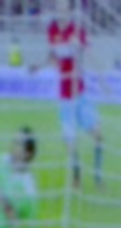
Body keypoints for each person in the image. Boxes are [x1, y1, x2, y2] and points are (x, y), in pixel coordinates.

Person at [30, 0, 104, 189]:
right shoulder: (52, 30)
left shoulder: (77, 29)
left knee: (98, 135)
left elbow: (89, 53)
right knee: (70, 143)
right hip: (64, 96)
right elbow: (53, 57)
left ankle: (98, 177)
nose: (60, 11)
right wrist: (40, 66)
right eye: (58, 8)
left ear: (70, 11)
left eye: (64, 8)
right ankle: (76, 178)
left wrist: (101, 77)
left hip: (79, 92)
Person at [0, 127, 39, 228]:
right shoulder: (3, 161)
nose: (13, 146)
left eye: (18, 143)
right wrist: (5, 203)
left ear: (28, 153)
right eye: (14, 141)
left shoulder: (28, 187)